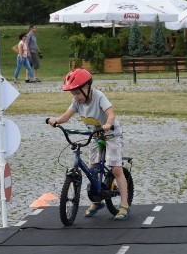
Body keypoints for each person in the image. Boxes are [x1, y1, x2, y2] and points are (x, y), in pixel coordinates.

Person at [46, 68, 130, 220]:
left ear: (87, 87)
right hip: (96, 137)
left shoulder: (98, 96)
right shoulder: (77, 102)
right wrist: (56, 121)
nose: (76, 97)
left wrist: (108, 124)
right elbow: (66, 116)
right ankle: (97, 201)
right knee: (93, 170)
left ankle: (124, 206)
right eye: (73, 94)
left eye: (78, 93)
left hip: (111, 135)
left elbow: (111, 113)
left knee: (116, 169)